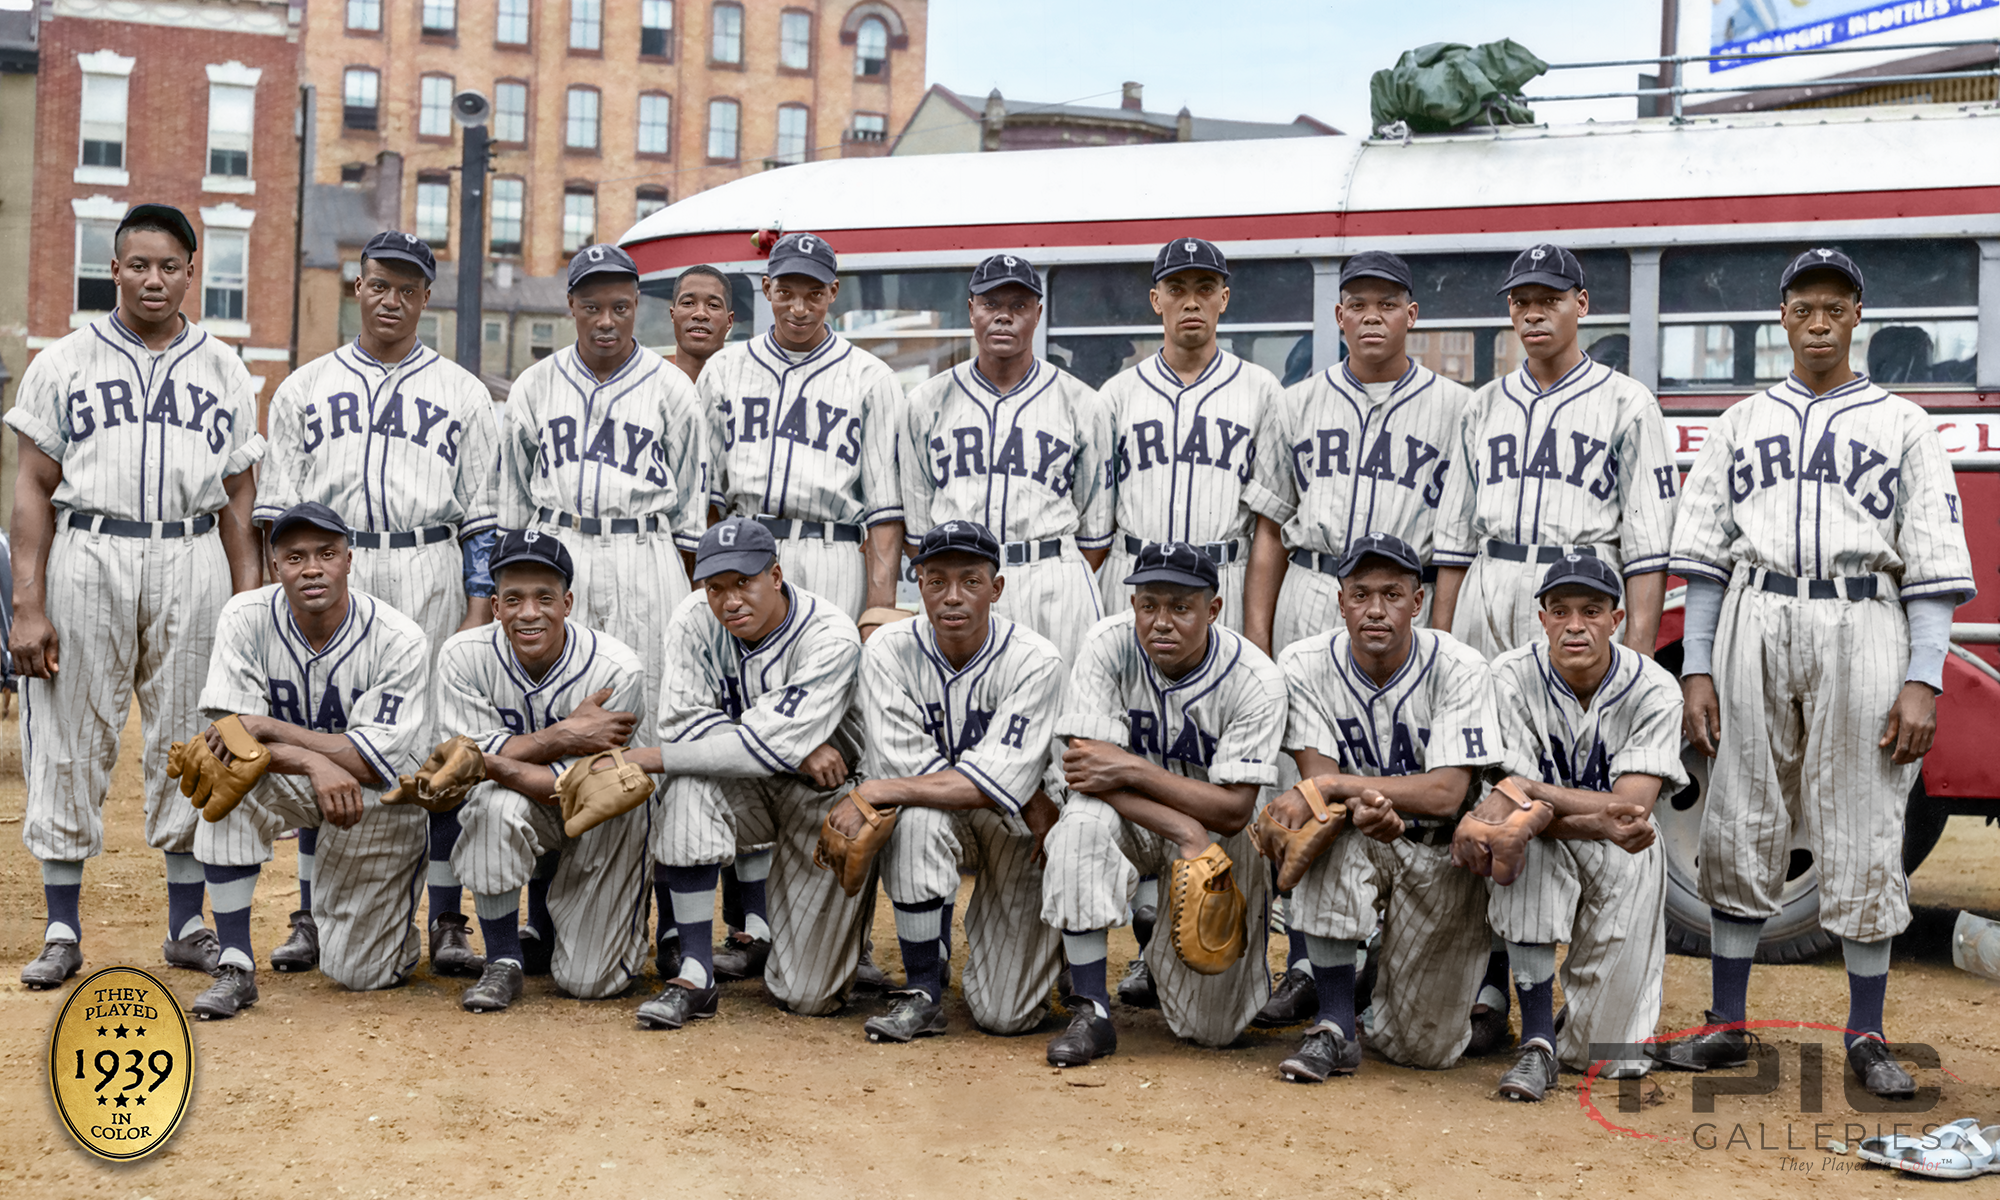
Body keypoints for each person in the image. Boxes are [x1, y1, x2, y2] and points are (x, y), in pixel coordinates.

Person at [1654, 249, 1976, 1100]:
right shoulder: (1740, 420)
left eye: (1837, 305)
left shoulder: (1903, 423)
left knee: (1866, 816)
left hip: (1862, 613)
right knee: (1740, 810)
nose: (1821, 320)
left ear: (1857, 316)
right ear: (1784, 319)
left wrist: (1924, 677)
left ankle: (1866, 1033)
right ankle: (1728, 1023)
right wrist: (1696, 669)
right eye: (1806, 306)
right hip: (1758, 613)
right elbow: (1706, 563)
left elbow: (1935, 565)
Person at [9, 203, 265, 990]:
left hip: (192, 553)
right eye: (138, 265)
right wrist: (27, 603)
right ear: (113, 269)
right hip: (89, 548)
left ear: (192, 271)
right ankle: (61, 926)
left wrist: (246, 606)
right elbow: (30, 486)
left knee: (192, 740)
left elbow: (239, 501)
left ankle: (187, 922)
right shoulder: (61, 362)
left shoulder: (224, 367)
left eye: (169, 266)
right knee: (67, 730)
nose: (154, 279)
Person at [257, 231, 502, 982]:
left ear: (428, 297)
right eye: (378, 285)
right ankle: (309, 911)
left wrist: (477, 608)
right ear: (356, 289)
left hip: (426, 562)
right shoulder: (303, 386)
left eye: (408, 288)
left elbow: (484, 520)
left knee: (435, 746)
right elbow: (274, 516)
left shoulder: (465, 393)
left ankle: (449, 917)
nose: (391, 299)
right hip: (332, 569)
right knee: (329, 733)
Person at [1244, 250, 1479, 1030]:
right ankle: (1307, 963)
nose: (1372, 315)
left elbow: (1452, 545)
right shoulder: (1295, 402)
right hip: (1314, 588)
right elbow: (1271, 528)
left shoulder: (1456, 408)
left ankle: (1391, 953)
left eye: (1388, 302)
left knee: (1398, 779)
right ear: (1338, 316)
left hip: (1400, 596)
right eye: (1357, 303)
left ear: (1413, 315)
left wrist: (1435, 639)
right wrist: (1257, 636)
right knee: (1303, 781)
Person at [1266, 532, 1504, 1080]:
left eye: (1393, 595)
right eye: (1361, 594)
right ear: (1341, 600)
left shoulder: (1460, 666)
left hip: (1441, 853)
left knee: (1422, 1048)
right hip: (1356, 833)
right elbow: (1315, 782)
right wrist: (1354, 801)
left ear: (1417, 603)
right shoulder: (1304, 663)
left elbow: (1446, 793)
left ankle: (1378, 973)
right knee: (1325, 836)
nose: (1376, 610)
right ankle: (1333, 1027)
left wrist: (1340, 790)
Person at [1040, 541, 1288, 1065]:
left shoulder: (1255, 679)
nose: (1161, 622)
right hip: (1139, 821)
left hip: (1216, 835)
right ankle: (1092, 1010)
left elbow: (1233, 810)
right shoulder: (1108, 644)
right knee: (1081, 824)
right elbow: (1086, 771)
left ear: (1213, 610)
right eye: (1149, 605)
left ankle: (1158, 946)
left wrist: (1130, 767)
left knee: (1214, 1031)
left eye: (1181, 607)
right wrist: (1181, 825)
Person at [821, 520, 1065, 1042]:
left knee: (1007, 1016)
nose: (952, 597)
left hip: (1020, 829)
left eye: (971, 581)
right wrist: (903, 787)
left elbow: (996, 784)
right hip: (991, 810)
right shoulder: (888, 649)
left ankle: (1049, 950)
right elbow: (917, 774)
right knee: (916, 820)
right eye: (936, 581)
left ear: (996, 588)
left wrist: (879, 788)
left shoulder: (1036, 659)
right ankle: (924, 991)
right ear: (919, 583)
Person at [185, 502, 432, 1017]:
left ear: (349, 560)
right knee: (222, 773)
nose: (312, 568)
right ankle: (235, 964)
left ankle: (382, 926)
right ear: (276, 568)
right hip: (295, 780)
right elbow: (229, 737)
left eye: (326, 553)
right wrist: (313, 761)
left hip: (374, 798)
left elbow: (372, 763)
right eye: (295, 557)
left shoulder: (399, 637)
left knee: (358, 973)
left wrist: (273, 728)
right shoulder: (245, 615)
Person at [628, 517, 868, 1028]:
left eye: (744, 582)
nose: (729, 600)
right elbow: (683, 724)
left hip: (823, 798)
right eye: (716, 587)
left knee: (809, 994)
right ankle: (695, 974)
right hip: (746, 790)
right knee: (689, 784)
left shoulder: (830, 634)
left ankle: (828, 943)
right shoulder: (693, 619)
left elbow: (686, 743)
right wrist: (793, 744)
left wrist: (654, 757)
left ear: (775, 575)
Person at [1470, 553, 1684, 1101]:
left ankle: (1572, 1031)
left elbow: (1631, 814)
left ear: (1616, 620)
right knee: (1523, 839)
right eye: (1560, 610)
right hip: (1544, 839)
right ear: (1541, 617)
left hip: (1625, 850)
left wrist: (1534, 790)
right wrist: (1543, 807)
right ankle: (1537, 1043)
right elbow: (1509, 806)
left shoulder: (1655, 687)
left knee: (1605, 1058)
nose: (1574, 625)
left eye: (1591, 611)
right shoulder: (1510, 676)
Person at [1429, 244, 1676, 662]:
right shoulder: (1483, 405)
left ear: (1580, 305)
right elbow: (1455, 544)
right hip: (1489, 585)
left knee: (1578, 725)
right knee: (1486, 723)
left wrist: (1639, 654)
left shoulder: (1628, 402)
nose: (1533, 314)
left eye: (1550, 300)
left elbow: (1648, 550)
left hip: (1582, 589)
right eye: (1521, 302)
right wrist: (1438, 647)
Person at [439, 530, 653, 1012]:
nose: (529, 612)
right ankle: (504, 960)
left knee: (591, 982)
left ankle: (574, 924)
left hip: (605, 816)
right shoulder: (463, 656)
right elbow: (477, 774)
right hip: (520, 804)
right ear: (494, 606)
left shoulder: (615, 668)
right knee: (492, 806)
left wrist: (494, 761)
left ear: (568, 602)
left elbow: (583, 789)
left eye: (544, 598)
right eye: (513, 598)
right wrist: (565, 736)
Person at [900, 253, 1114, 663]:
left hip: (1052, 578)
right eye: (991, 304)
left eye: (1017, 305)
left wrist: (1047, 569)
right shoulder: (925, 402)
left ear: (1037, 313)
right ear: (971, 310)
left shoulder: (1082, 403)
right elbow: (917, 522)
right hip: (962, 584)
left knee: (1059, 711)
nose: (1004, 317)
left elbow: (1095, 533)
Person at [698, 232, 904, 620]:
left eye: (814, 294)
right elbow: (707, 498)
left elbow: (885, 513)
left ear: (833, 292)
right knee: (743, 678)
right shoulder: (724, 370)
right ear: (766, 289)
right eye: (786, 293)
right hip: (743, 551)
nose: (799, 308)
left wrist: (879, 611)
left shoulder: (871, 377)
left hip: (832, 552)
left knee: (831, 674)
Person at [1097, 237, 1286, 634]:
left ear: (1224, 297)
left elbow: (1270, 526)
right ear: (1155, 299)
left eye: (1205, 288)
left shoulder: (1262, 389)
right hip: (1134, 577)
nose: (1191, 302)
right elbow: (1096, 518)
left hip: (1223, 580)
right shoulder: (1117, 393)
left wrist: (1257, 631)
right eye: (1176, 289)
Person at [669, 265, 736, 387]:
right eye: (688, 303)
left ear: (729, 321)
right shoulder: (648, 388)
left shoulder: (747, 392)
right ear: (672, 315)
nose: (700, 314)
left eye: (713, 305)